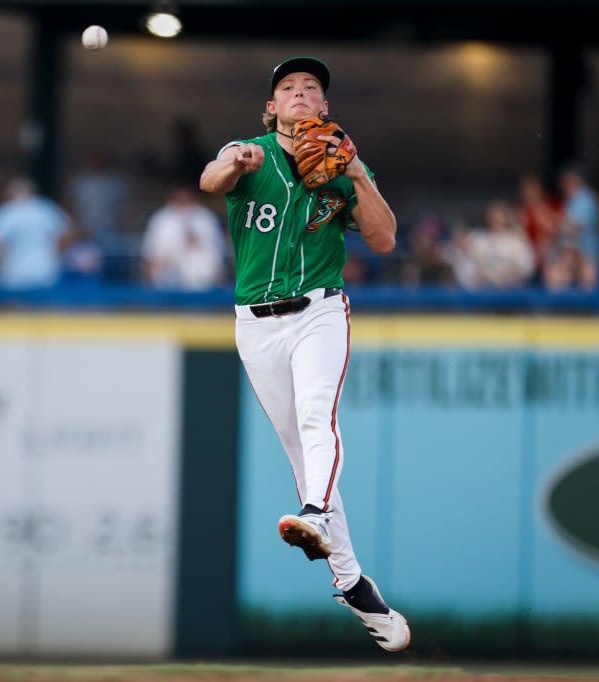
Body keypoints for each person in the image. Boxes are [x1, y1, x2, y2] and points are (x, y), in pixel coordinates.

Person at [198, 56, 410, 652]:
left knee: (318, 416)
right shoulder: (251, 153)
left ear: (324, 107)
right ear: (271, 106)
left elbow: (386, 238)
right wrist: (231, 162)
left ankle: (315, 513)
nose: (298, 93)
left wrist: (361, 179)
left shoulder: (344, 166)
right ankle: (351, 582)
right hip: (254, 323)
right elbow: (210, 180)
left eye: (310, 87)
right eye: (286, 87)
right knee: (300, 451)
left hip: (319, 310)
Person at [0, 176, 74, 288]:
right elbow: (68, 234)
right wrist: (56, 253)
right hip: (46, 272)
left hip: (13, 274)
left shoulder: (6, 211)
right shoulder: (46, 208)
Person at [140, 183, 229, 291]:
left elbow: (218, 250)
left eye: (186, 198)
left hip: (200, 275)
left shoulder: (206, 218)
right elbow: (150, 252)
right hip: (166, 273)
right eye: (180, 198)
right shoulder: (161, 219)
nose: (183, 201)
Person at [544, 162, 599, 292]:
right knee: (555, 276)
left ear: (573, 180)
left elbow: (575, 227)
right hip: (571, 251)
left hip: (584, 253)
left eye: (564, 180)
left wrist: (553, 226)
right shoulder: (572, 200)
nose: (561, 184)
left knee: (587, 289)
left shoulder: (584, 197)